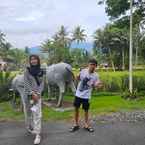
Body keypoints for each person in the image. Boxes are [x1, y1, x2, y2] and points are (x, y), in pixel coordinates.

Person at [70, 59, 102, 133]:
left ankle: (86, 125)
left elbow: (95, 86)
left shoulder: (96, 75)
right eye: (91, 64)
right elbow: (77, 79)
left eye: (94, 65)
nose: (92, 66)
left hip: (86, 96)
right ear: (88, 65)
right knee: (76, 109)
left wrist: (98, 86)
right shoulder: (83, 71)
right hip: (78, 94)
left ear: (96, 66)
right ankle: (75, 124)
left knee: (86, 111)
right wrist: (76, 77)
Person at [24, 55, 44, 144]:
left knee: (38, 115)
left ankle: (38, 134)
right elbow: (26, 83)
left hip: (38, 96)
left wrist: (38, 94)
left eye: (35, 59)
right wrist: (32, 93)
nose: (33, 61)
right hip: (29, 96)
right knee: (30, 113)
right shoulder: (27, 71)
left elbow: (42, 83)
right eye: (31, 60)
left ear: (38, 60)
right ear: (30, 61)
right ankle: (33, 128)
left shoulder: (41, 71)